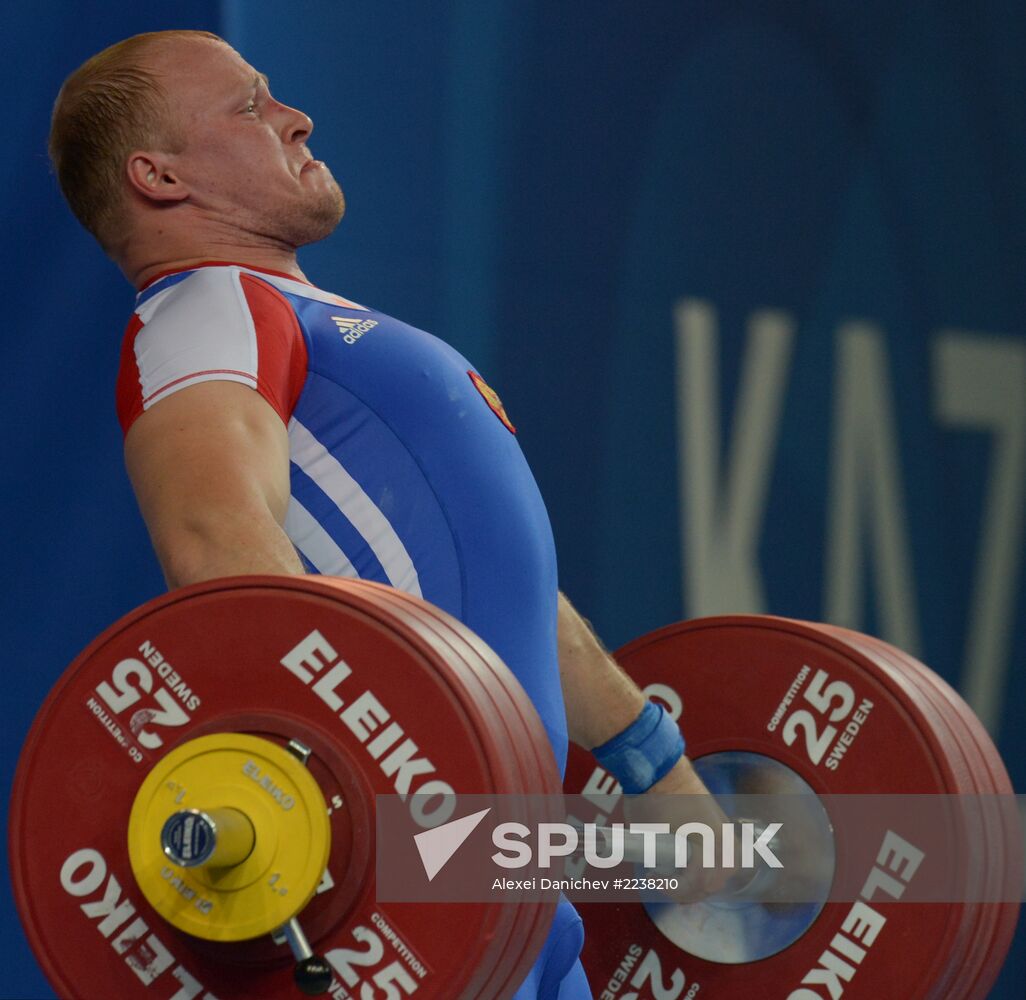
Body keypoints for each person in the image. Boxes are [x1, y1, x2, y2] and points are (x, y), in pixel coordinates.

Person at [49, 30, 724, 998]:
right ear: (157, 177)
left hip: (507, 904)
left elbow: (503, 588)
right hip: (417, 912)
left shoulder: (309, 324)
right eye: (248, 105)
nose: (295, 116)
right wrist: (387, 810)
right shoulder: (204, 311)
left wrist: (653, 768)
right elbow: (211, 543)